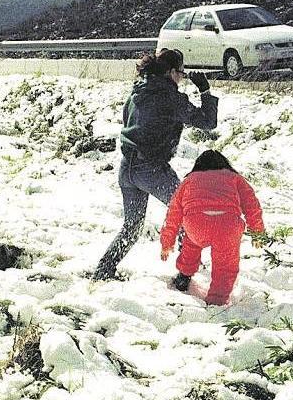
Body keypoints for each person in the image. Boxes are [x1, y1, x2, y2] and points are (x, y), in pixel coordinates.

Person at [91, 48, 218, 280]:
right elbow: (208, 122)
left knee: (131, 228)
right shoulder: (170, 97)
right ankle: (184, 276)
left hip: (127, 169)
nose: (182, 78)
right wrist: (205, 90)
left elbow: (133, 122)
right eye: (181, 73)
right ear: (171, 72)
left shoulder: (136, 93)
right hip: (152, 171)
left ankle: (102, 272)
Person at [159, 150, 264, 306]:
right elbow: (252, 206)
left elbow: (174, 213)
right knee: (226, 264)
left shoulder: (189, 181)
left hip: (196, 226)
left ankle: (184, 275)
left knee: (191, 244)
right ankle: (217, 301)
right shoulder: (235, 178)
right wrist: (257, 232)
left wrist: (167, 242)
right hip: (227, 227)